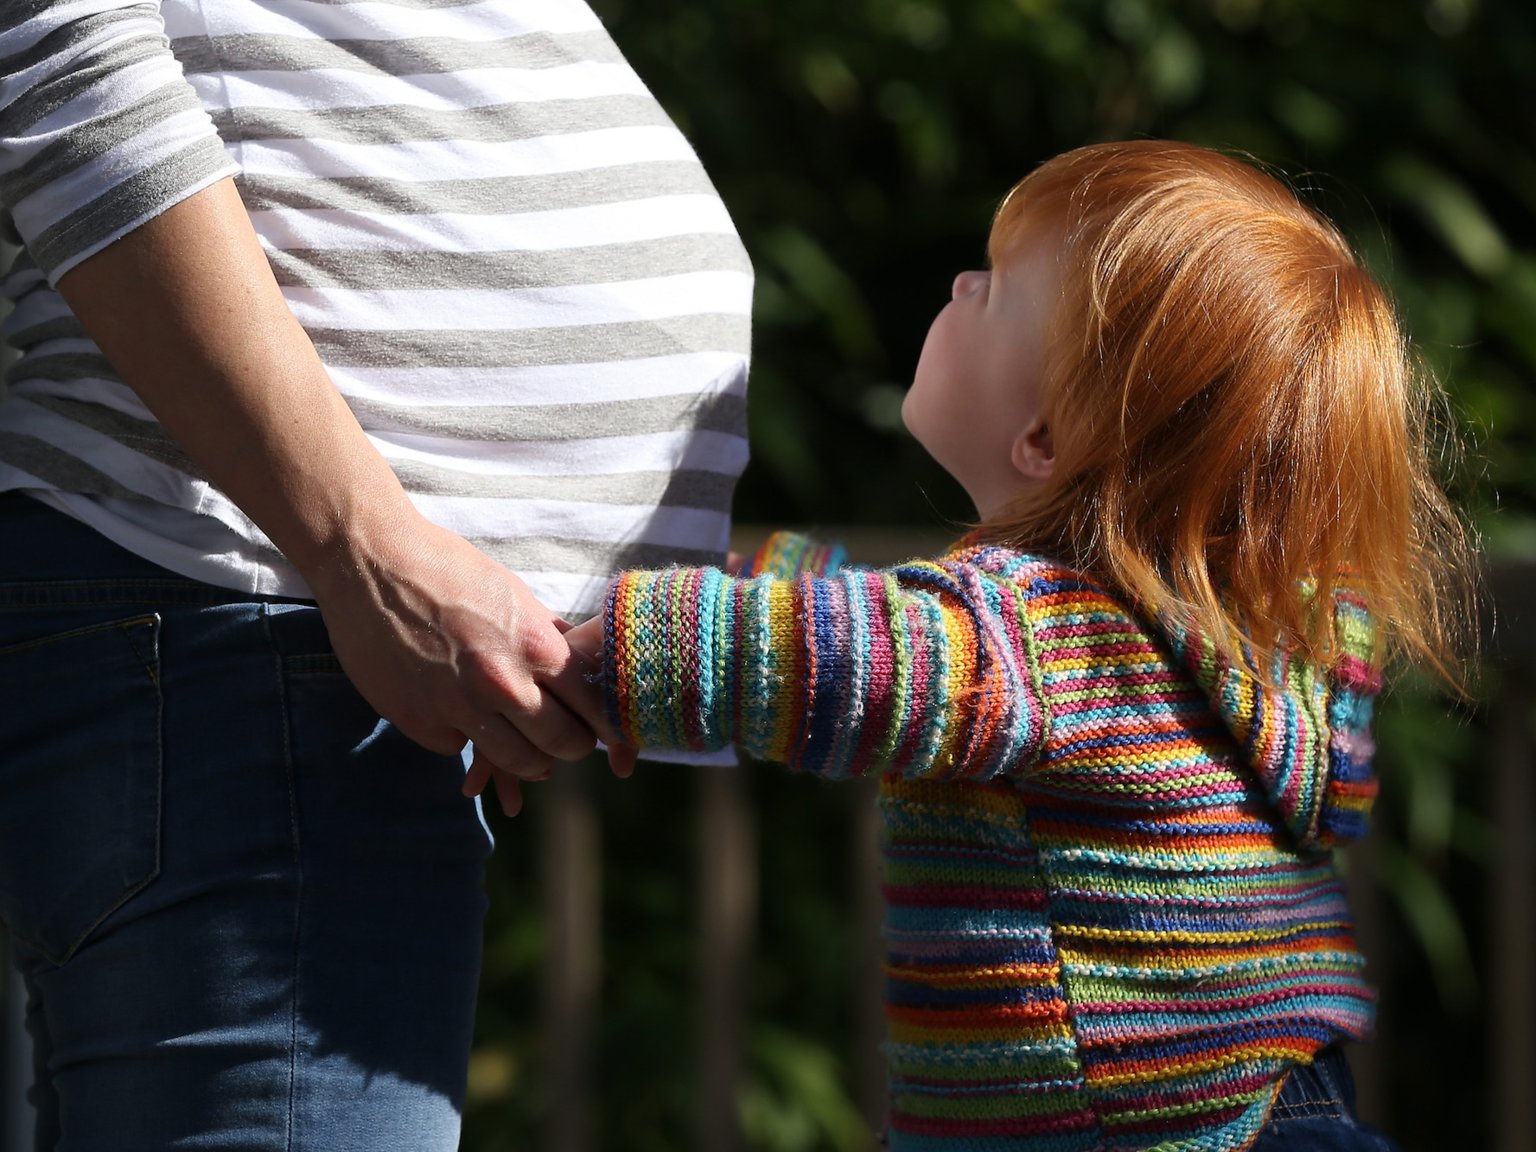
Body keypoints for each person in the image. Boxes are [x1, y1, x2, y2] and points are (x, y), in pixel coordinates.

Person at [548, 141, 1477, 1150]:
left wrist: (601, 652)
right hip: (1281, 1111)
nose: (958, 280)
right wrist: (754, 574)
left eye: (991, 290)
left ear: (1043, 439)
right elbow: (881, 631)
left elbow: (853, 661)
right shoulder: (1233, 640)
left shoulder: (1041, 636)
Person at [0, 0, 750, 1148]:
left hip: (283, 637)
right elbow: (56, 54)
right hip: (247, 602)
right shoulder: (334, 570)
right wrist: (362, 544)